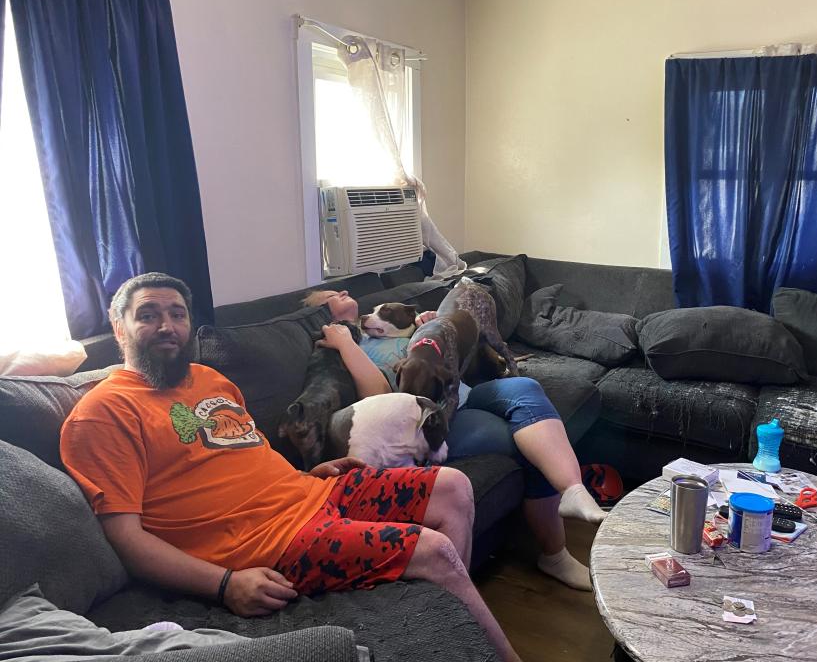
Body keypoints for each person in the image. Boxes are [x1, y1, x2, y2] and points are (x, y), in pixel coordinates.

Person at [60, 273, 520, 662]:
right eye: (148, 315)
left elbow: (246, 450)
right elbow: (126, 538)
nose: (167, 326)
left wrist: (304, 474)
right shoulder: (103, 412)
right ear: (119, 328)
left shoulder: (210, 379)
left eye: (177, 314)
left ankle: (448, 621)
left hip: (310, 495)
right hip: (267, 544)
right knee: (434, 550)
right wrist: (224, 584)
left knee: (453, 486)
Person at [311, 289, 607, 592]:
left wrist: (427, 323)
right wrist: (346, 344)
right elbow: (380, 398)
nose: (344, 291)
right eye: (331, 294)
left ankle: (573, 489)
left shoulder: (384, 323)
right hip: (428, 424)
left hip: (460, 393)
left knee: (526, 388)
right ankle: (555, 555)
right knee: (529, 442)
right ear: (324, 314)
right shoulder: (346, 343)